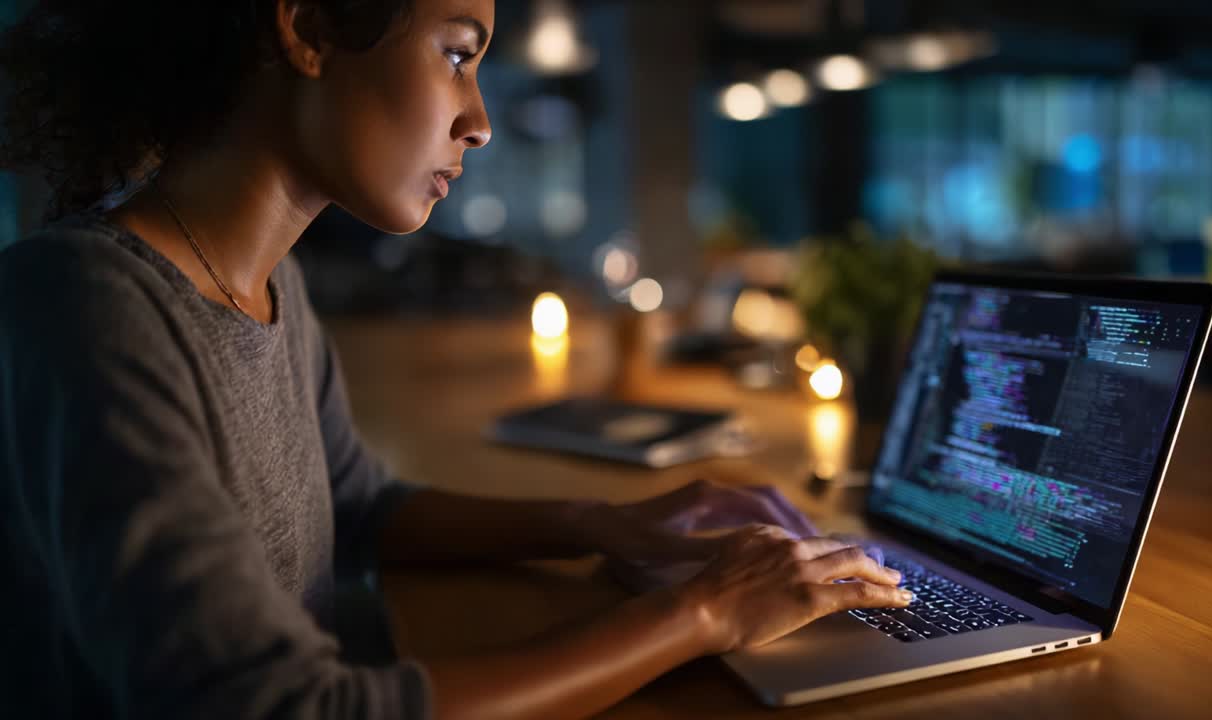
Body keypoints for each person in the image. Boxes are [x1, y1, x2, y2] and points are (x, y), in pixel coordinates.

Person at [0, 1, 911, 718]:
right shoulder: (86, 304)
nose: (478, 120)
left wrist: (605, 523)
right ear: (309, 26)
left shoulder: (273, 288)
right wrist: (701, 611)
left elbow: (357, 508)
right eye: (456, 53)